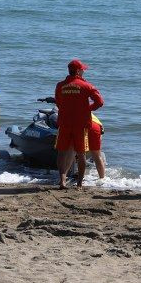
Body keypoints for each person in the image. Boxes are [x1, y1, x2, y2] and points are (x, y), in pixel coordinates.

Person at [54, 59, 104, 189]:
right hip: (80, 125)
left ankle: (62, 180)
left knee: (62, 152)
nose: (83, 72)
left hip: (64, 123)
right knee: (81, 153)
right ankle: (80, 184)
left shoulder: (60, 85)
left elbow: (58, 103)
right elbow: (100, 102)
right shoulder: (86, 86)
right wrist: (88, 109)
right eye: (82, 70)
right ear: (78, 71)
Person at [87, 112, 106, 180]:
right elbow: (101, 133)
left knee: (77, 153)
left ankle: (79, 177)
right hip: (96, 127)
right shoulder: (93, 116)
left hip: (82, 124)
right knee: (97, 155)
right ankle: (102, 179)